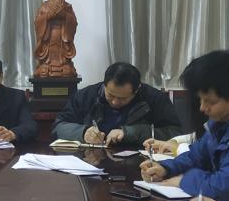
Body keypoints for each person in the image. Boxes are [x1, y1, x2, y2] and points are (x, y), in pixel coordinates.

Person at [139, 50, 229, 197]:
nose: (202, 108)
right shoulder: (222, 118)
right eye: (200, 100)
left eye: (210, 101)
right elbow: (197, 154)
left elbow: (228, 186)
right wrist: (166, 168)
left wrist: (184, 180)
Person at [53, 61, 181, 147]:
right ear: (104, 85)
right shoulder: (86, 96)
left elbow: (175, 133)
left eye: (122, 98)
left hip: (138, 162)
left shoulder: (154, 99)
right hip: (91, 160)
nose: (115, 102)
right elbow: (58, 127)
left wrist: (131, 133)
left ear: (136, 90)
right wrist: (83, 132)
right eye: (110, 95)